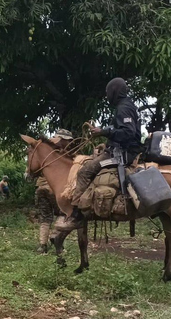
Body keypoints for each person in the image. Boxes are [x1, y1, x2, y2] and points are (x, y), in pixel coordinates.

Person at [60, 78, 142, 230]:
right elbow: (121, 129)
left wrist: (103, 132)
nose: (107, 95)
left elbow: (128, 133)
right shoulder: (127, 106)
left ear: (114, 91)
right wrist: (103, 132)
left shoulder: (123, 108)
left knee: (85, 171)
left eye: (108, 92)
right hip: (120, 150)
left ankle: (76, 214)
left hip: (120, 154)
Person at [34, 129, 73, 253]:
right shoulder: (64, 154)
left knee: (45, 218)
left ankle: (42, 245)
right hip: (55, 190)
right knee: (64, 213)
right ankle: (55, 237)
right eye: (67, 141)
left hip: (40, 188)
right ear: (63, 140)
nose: (69, 143)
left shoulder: (45, 151)